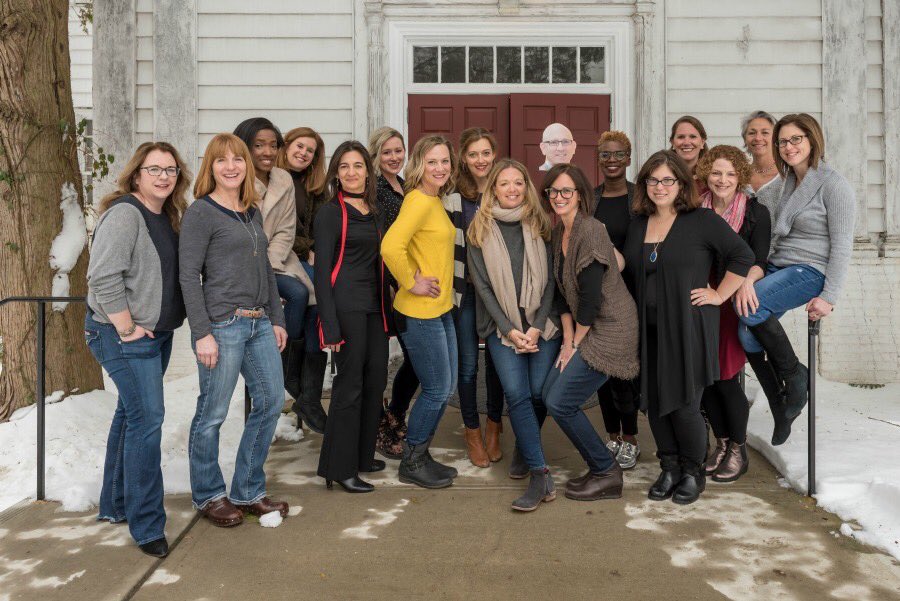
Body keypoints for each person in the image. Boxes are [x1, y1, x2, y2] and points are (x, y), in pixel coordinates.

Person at [623, 151, 753, 505]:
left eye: (668, 180)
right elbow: (625, 266)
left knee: (683, 404)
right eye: (653, 180)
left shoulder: (701, 221)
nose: (660, 187)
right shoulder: (638, 223)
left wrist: (719, 294)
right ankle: (669, 467)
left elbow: (742, 256)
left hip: (688, 328)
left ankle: (693, 471)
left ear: (681, 183)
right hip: (648, 333)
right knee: (655, 401)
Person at [85, 142, 191, 558]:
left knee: (131, 415)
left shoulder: (167, 215)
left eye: (170, 169)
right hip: (120, 335)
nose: (164, 176)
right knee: (148, 421)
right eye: (154, 169)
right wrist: (126, 326)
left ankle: (116, 503)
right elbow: (102, 276)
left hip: (156, 335)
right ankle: (147, 525)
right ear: (136, 175)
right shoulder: (126, 214)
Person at [180, 133, 290, 527]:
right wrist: (201, 333)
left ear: (246, 166)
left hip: (259, 323)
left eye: (237, 160)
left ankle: (247, 490)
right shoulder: (201, 213)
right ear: (211, 167)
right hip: (223, 325)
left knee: (270, 402)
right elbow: (188, 276)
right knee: (212, 413)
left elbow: (267, 273)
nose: (231, 166)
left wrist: (277, 318)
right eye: (221, 160)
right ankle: (209, 495)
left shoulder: (251, 212)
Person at [737, 113, 856, 445]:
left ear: (812, 139)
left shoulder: (834, 184)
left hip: (810, 270)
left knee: (749, 307)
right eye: (783, 142)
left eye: (795, 139)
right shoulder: (787, 183)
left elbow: (844, 245)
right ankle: (782, 405)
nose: (788, 147)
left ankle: (795, 376)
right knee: (745, 336)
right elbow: (762, 217)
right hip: (779, 265)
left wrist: (829, 296)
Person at [540, 163, 640, 501]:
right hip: (585, 328)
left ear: (581, 194)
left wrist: (575, 345)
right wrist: (567, 342)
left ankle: (606, 471)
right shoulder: (558, 233)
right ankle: (601, 466)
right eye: (553, 191)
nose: (559, 197)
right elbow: (561, 296)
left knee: (559, 401)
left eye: (566, 190)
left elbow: (592, 299)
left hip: (611, 328)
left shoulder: (591, 231)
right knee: (550, 392)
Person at [467, 159, 560, 510]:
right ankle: (540, 474)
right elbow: (484, 288)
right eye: (504, 183)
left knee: (539, 392)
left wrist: (535, 327)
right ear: (493, 189)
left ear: (527, 187)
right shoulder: (479, 229)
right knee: (518, 394)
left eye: (518, 183)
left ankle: (526, 445)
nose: (512, 189)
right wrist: (510, 329)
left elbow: (551, 280)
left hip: (540, 323)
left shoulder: (541, 224)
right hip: (501, 327)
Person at [313, 141, 393, 493]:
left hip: (375, 306)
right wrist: (329, 323)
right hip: (346, 305)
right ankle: (339, 467)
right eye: (344, 166)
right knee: (349, 385)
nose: (351, 172)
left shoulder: (375, 211)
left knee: (376, 380)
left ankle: (362, 455)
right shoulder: (330, 213)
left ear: (367, 171)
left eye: (357, 165)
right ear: (336, 173)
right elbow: (322, 272)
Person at [381, 134, 460, 489]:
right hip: (419, 311)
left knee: (445, 385)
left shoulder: (434, 199)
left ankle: (421, 453)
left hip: (440, 308)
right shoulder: (417, 201)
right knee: (437, 388)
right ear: (419, 165)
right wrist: (411, 281)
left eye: (444, 161)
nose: (440, 168)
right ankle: (412, 460)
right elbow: (390, 246)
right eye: (432, 162)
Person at [233, 118, 318, 431]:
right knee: (295, 294)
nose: (267, 151)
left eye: (272, 145)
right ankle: (287, 371)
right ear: (246, 146)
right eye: (259, 145)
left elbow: (285, 229)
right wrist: (260, 272)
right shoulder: (238, 177)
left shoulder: (283, 180)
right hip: (243, 265)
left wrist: (271, 265)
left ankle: (294, 377)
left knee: (308, 295)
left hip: (276, 260)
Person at [695, 145, 772, 482]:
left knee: (726, 377)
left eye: (729, 173)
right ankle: (721, 444)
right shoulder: (696, 211)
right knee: (707, 379)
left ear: (740, 176)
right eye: (716, 173)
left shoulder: (756, 213)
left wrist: (745, 283)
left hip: (730, 299)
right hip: (701, 298)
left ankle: (738, 449)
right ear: (706, 175)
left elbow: (759, 261)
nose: (722, 179)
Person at [445, 127, 506, 467]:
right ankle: (472, 432)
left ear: (493, 155)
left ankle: (495, 428)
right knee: (468, 366)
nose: (480, 160)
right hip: (466, 292)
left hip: (498, 293)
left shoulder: (505, 191)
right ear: (463, 159)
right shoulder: (454, 197)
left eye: (486, 153)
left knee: (497, 364)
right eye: (473, 154)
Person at [591, 130, 641, 470]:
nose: (611, 160)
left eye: (618, 154)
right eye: (605, 154)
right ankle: (612, 436)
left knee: (626, 372)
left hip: (632, 292)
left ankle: (632, 438)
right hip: (599, 295)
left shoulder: (640, 199)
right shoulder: (590, 199)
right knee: (603, 370)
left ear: (628, 157)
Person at [276, 127, 329, 433]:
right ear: (287, 146)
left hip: (304, 256)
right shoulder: (274, 179)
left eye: (310, 150)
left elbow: (324, 224)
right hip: (280, 256)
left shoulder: (315, 185)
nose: (304, 153)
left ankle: (306, 394)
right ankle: (294, 381)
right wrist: (307, 249)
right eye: (300, 146)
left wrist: (318, 249)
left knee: (319, 301)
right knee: (310, 293)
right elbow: (276, 228)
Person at [369, 127, 414, 459]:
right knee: (379, 358)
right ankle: (380, 424)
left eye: (398, 150)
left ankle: (394, 413)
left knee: (414, 357)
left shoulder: (407, 184)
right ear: (376, 155)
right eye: (387, 152)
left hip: (412, 279)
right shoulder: (375, 189)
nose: (394, 157)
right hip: (386, 281)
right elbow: (381, 241)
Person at [742, 110, 783, 216]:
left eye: (765, 132)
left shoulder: (787, 176)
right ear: (745, 139)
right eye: (752, 133)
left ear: (776, 138)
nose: (758, 138)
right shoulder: (739, 175)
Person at [669, 116, 708, 191]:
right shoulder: (663, 172)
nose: (686, 142)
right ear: (673, 142)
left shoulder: (712, 174)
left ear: (702, 142)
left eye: (693, 137)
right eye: (681, 137)